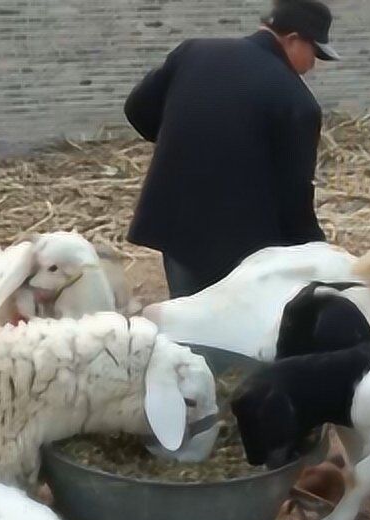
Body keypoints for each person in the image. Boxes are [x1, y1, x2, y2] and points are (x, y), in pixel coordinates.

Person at [122, 0, 337, 298]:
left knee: (185, 324)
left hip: (176, 223)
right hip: (241, 248)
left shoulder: (193, 52)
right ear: (293, 40)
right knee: (234, 334)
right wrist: (316, 250)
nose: (313, 65)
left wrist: (186, 144)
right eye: (314, 53)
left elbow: (137, 110)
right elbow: (294, 196)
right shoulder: (297, 102)